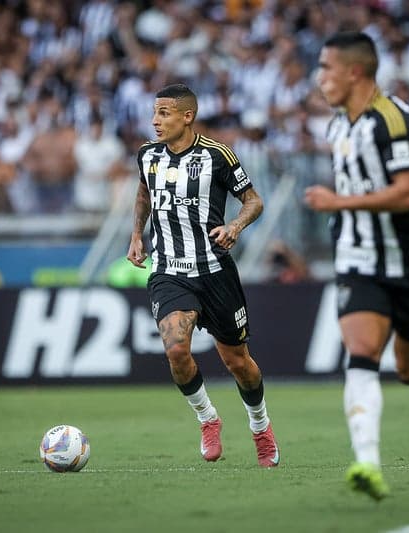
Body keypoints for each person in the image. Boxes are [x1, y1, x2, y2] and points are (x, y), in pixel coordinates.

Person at [304, 32, 409, 500]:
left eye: (326, 68)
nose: (319, 78)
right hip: (357, 258)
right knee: (361, 354)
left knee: (408, 366)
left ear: (355, 72)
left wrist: (339, 202)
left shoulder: (393, 120)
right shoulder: (338, 126)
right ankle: (367, 464)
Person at [126, 83, 280, 467]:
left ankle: (260, 427)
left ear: (187, 116)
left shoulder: (217, 156)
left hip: (215, 271)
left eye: (163, 113)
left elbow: (254, 200)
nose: (155, 121)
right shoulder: (147, 155)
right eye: (155, 113)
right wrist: (135, 235)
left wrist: (235, 226)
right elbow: (144, 194)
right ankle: (207, 419)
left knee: (238, 362)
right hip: (168, 270)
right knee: (176, 348)